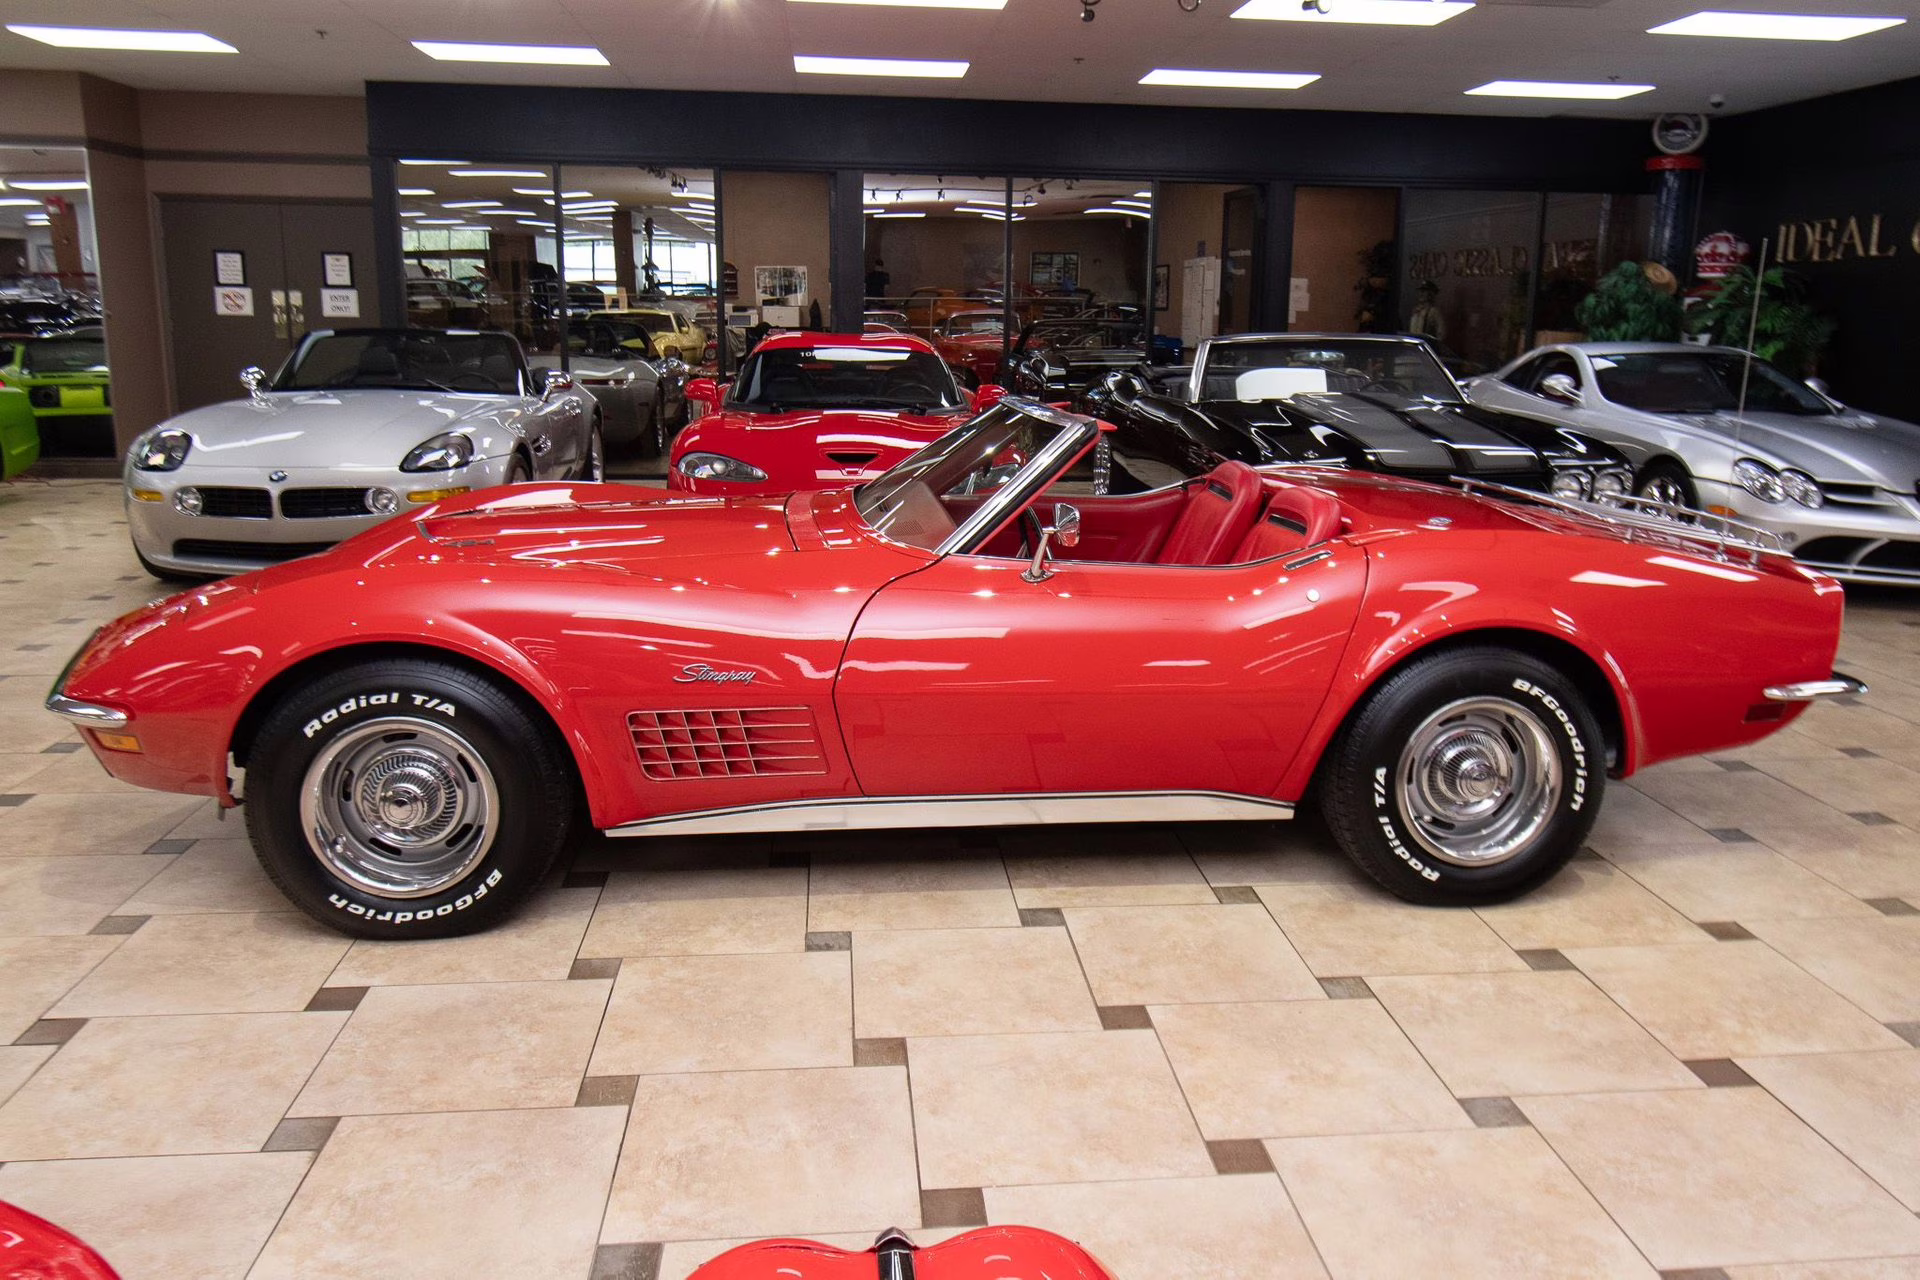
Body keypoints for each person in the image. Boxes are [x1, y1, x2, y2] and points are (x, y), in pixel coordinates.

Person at [1409, 279, 1446, 343]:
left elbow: (1441, 333)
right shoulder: (1416, 311)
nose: (1421, 294)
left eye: (1424, 291)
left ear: (1431, 294)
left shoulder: (1434, 312)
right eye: (1420, 291)